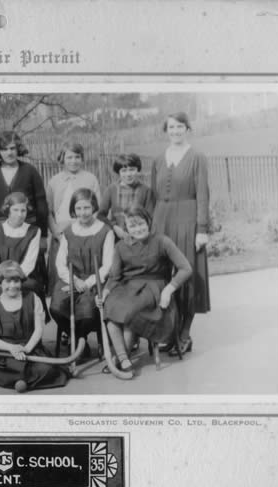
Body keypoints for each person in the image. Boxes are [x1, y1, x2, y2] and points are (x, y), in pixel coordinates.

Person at [97, 205, 192, 375]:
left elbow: (186, 268)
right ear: (126, 228)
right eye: (132, 226)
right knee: (109, 306)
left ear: (148, 222)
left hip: (154, 289)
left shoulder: (162, 241)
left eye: (141, 224)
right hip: (128, 288)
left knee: (129, 312)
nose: (138, 229)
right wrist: (105, 292)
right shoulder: (121, 247)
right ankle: (122, 357)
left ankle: (119, 359)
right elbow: (114, 277)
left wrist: (168, 290)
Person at [0, 261, 69, 392]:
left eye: (16, 281)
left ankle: (17, 380)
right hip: (7, 352)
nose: (13, 286)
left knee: (46, 369)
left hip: (31, 348)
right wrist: (12, 348)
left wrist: (26, 349)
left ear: (21, 281)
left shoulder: (33, 298)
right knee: (12, 366)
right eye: (7, 282)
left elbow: (38, 330)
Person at [150, 111, 211, 355]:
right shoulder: (157, 160)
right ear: (166, 130)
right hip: (161, 221)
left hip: (187, 220)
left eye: (180, 127)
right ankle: (169, 331)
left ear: (188, 129)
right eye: (171, 127)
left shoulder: (197, 157)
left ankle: (184, 333)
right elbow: (153, 197)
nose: (175, 131)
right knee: (163, 276)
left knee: (187, 276)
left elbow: (203, 195)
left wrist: (202, 229)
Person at [49, 188, 114, 359]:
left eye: (86, 208)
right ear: (73, 209)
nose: (82, 213)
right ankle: (78, 340)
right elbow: (60, 263)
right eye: (78, 208)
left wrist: (87, 283)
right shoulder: (69, 232)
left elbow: (107, 265)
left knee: (87, 312)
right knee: (56, 307)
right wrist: (74, 281)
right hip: (71, 279)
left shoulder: (106, 231)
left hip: (95, 281)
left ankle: (80, 340)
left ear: (93, 208)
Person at [46, 142, 101, 294]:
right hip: (61, 232)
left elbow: (97, 208)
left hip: (84, 230)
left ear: (82, 159)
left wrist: (87, 228)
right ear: (62, 159)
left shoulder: (91, 179)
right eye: (69, 157)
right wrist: (56, 231)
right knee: (61, 270)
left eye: (77, 157)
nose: (73, 161)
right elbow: (48, 211)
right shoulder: (54, 181)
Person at [0, 192, 47, 316]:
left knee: (28, 287)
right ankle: (0, 328)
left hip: (24, 277)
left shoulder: (34, 231)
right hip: (0, 278)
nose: (19, 214)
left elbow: (29, 263)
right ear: (8, 210)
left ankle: (26, 327)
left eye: (23, 210)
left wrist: (12, 279)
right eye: (15, 210)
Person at [0, 131, 49, 239]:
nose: (9, 153)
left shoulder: (30, 171)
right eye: (4, 149)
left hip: (27, 229)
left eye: (12, 148)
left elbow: (41, 204)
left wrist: (43, 234)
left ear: (18, 149)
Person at [99, 153, 156, 241]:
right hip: (117, 236)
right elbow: (100, 215)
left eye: (132, 170)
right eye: (124, 171)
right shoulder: (111, 189)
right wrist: (114, 227)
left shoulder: (145, 190)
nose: (128, 174)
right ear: (119, 172)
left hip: (140, 236)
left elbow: (150, 217)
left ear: (138, 170)